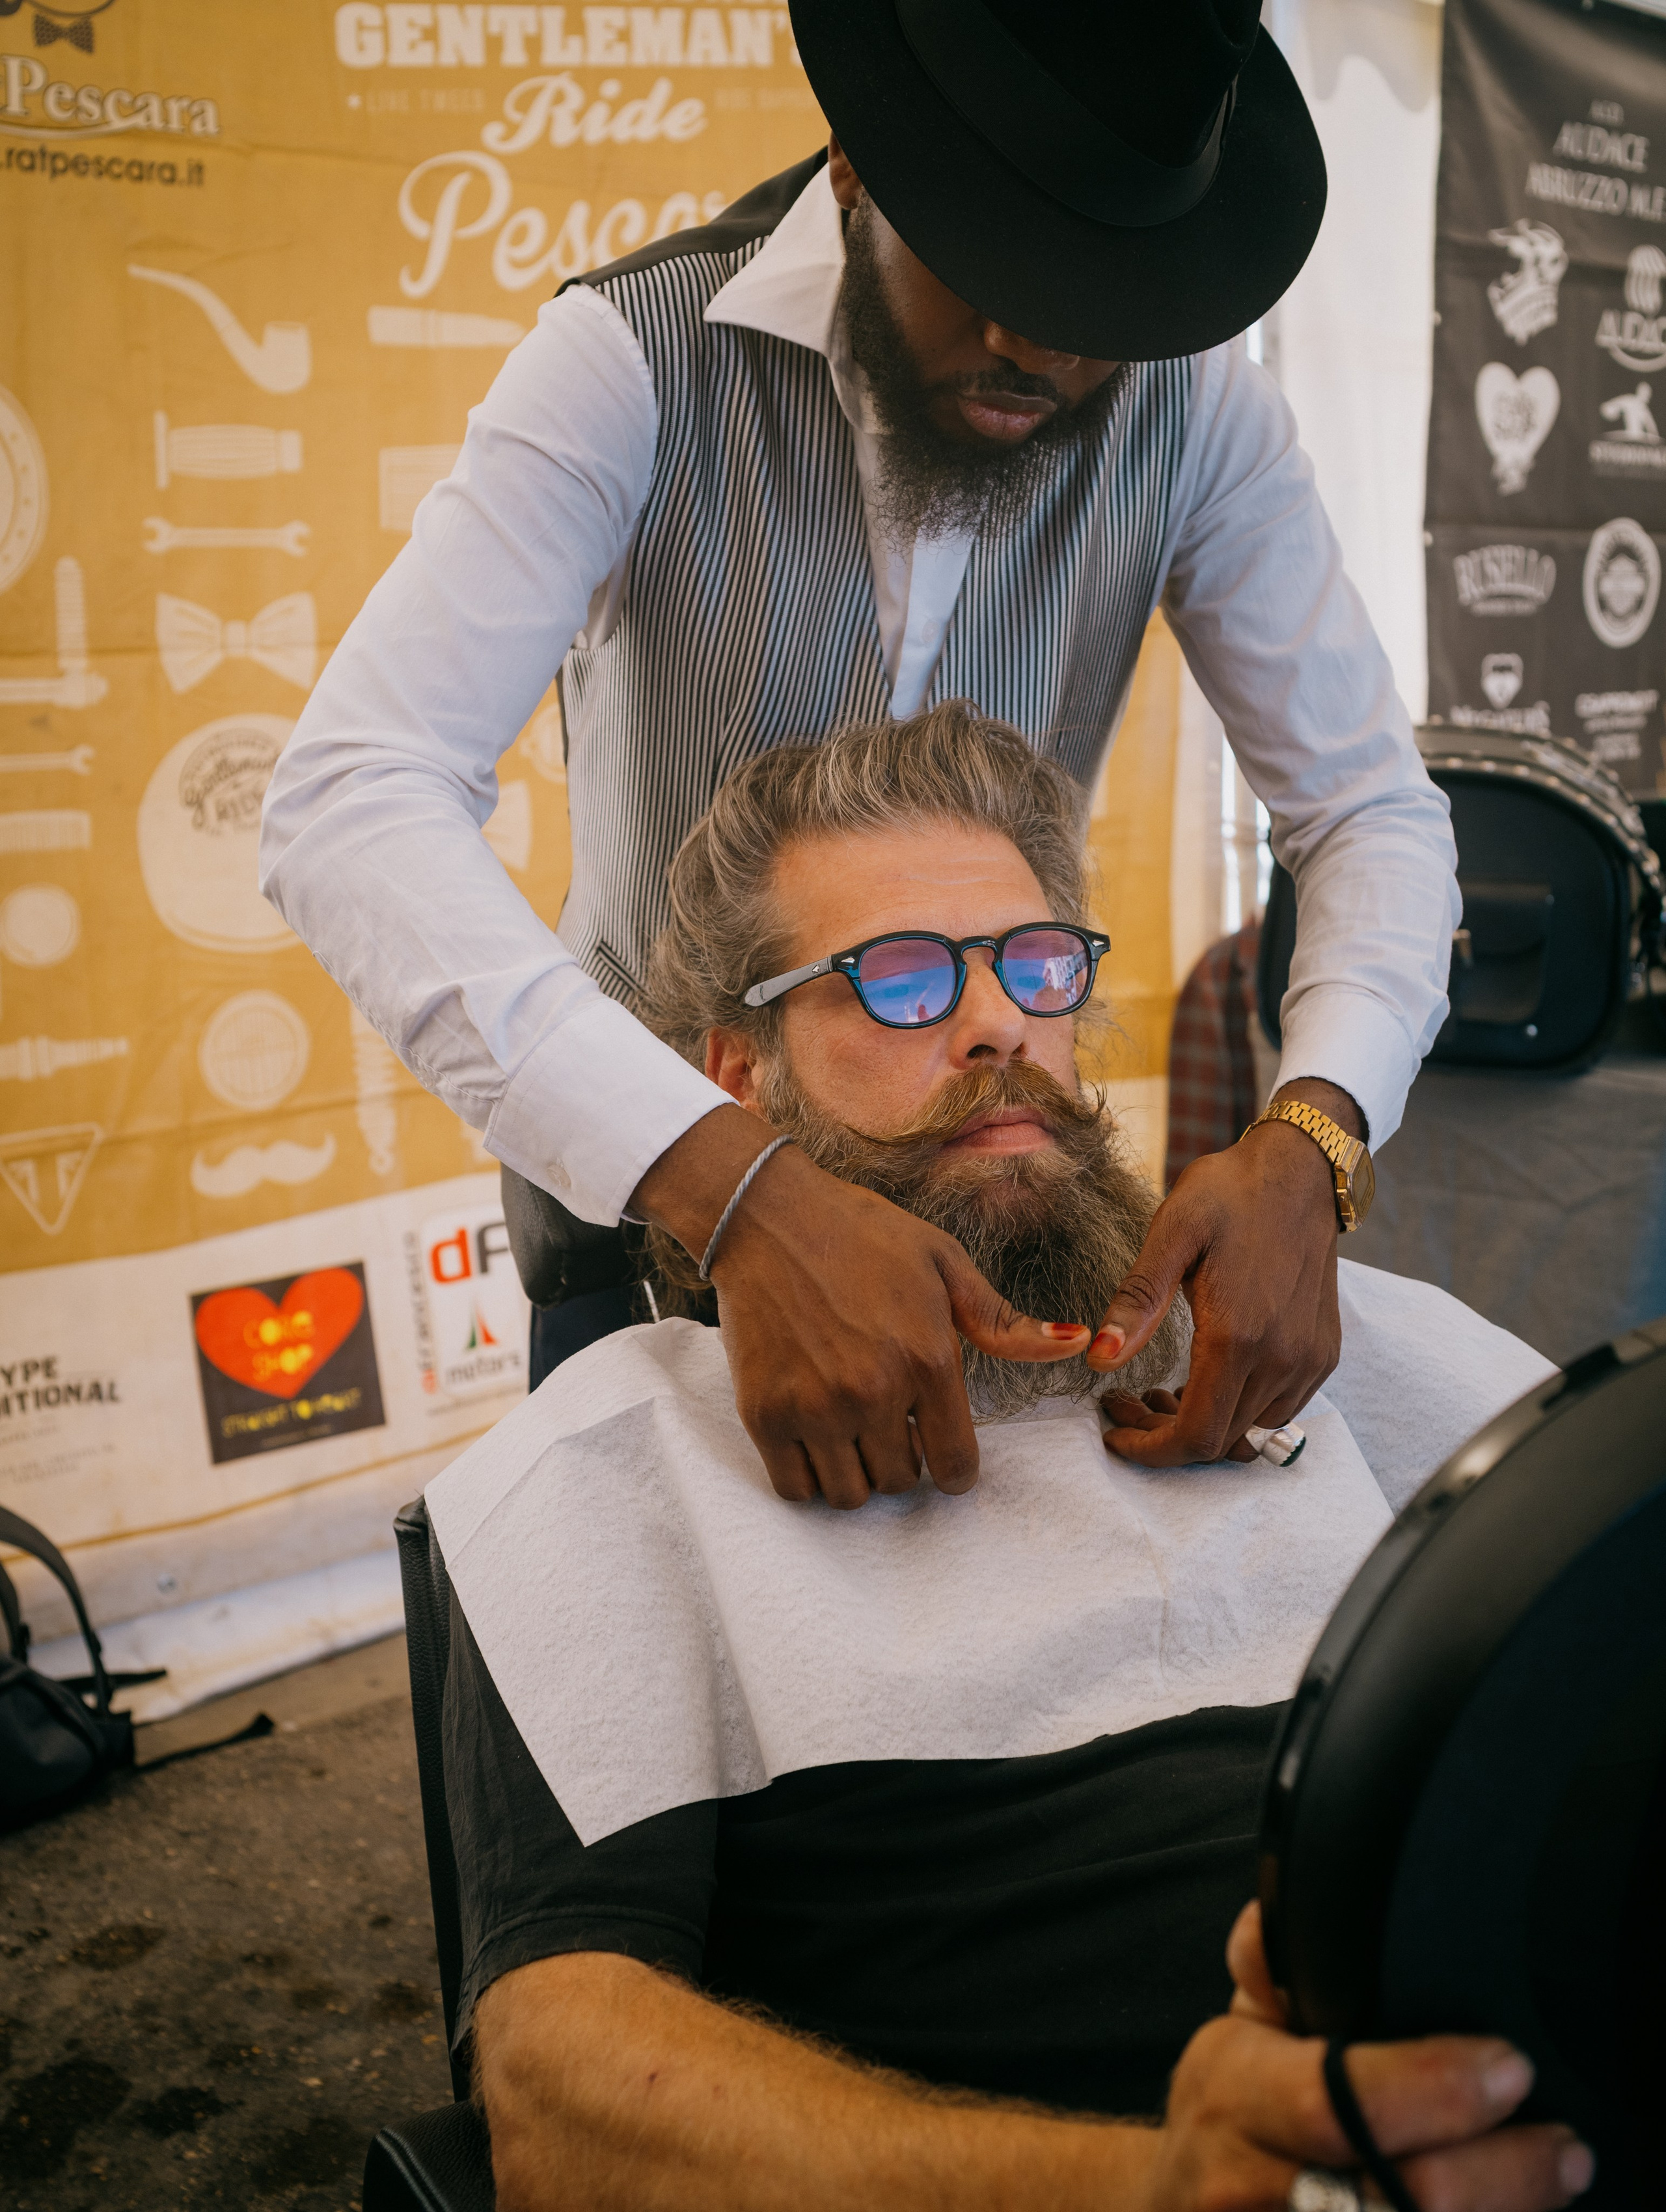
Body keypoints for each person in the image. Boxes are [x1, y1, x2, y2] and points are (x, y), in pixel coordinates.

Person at [260, 0, 1461, 1502]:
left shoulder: (1197, 415)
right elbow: (349, 795)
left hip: (1007, 1208)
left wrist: (1314, 1136)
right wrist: (732, 1187)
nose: (1041, 342)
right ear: (854, 167)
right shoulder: (629, 358)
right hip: (666, 1229)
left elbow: (1367, 812)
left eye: (1103, 296)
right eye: (996, 268)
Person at [425, 712, 1585, 2212]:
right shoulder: (616, 1459)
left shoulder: (1308, 1335)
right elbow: (562, 2101)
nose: (999, 1029)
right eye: (896, 978)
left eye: (1036, 964)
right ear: (735, 1077)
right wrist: (1154, 2189)